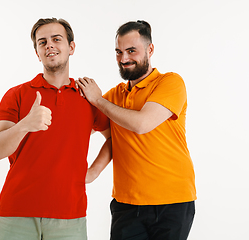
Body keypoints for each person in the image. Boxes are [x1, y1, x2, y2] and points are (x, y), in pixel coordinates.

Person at [0, 17, 110, 240]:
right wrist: (26, 124)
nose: (49, 45)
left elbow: (114, 137)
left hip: (70, 216)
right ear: (37, 52)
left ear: (71, 47)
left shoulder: (89, 98)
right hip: (16, 212)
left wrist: (93, 172)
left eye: (56, 39)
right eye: (42, 42)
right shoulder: (17, 94)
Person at [77, 20, 196, 240]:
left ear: (150, 49)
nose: (124, 59)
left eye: (131, 51)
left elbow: (142, 124)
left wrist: (97, 100)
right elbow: (109, 137)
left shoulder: (170, 82)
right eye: (119, 52)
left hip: (173, 202)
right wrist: (91, 172)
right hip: (127, 204)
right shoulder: (114, 96)